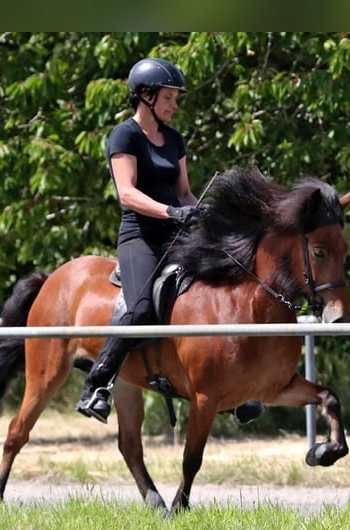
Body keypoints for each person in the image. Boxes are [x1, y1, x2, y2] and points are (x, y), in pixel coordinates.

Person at [76, 57, 264, 425]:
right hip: (140, 237)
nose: (174, 105)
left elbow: (184, 192)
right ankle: (97, 385)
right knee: (141, 307)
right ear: (145, 96)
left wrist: (201, 211)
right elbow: (127, 194)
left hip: (178, 235)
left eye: (176, 99)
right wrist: (170, 212)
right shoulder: (124, 135)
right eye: (168, 97)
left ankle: (235, 391)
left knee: (223, 287)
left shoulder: (173, 139)